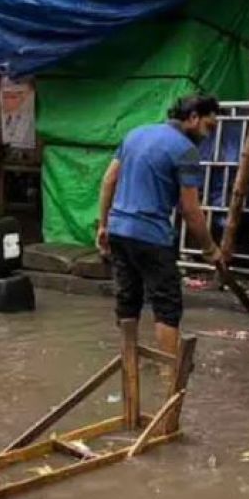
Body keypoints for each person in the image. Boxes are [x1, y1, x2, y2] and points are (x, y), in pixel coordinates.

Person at [96, 94, 227, 357]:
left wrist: (103, 224)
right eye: (208, 127)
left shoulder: (135, 134)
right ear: (192, 118)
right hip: (152, 237)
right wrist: (209, 248)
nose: (208, 135)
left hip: (119, 231)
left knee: (127, 299)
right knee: (167, 306)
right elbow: (190, 210)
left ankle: (128, 361)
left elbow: (109, 180)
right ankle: (170, 373)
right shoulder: (185, 151)